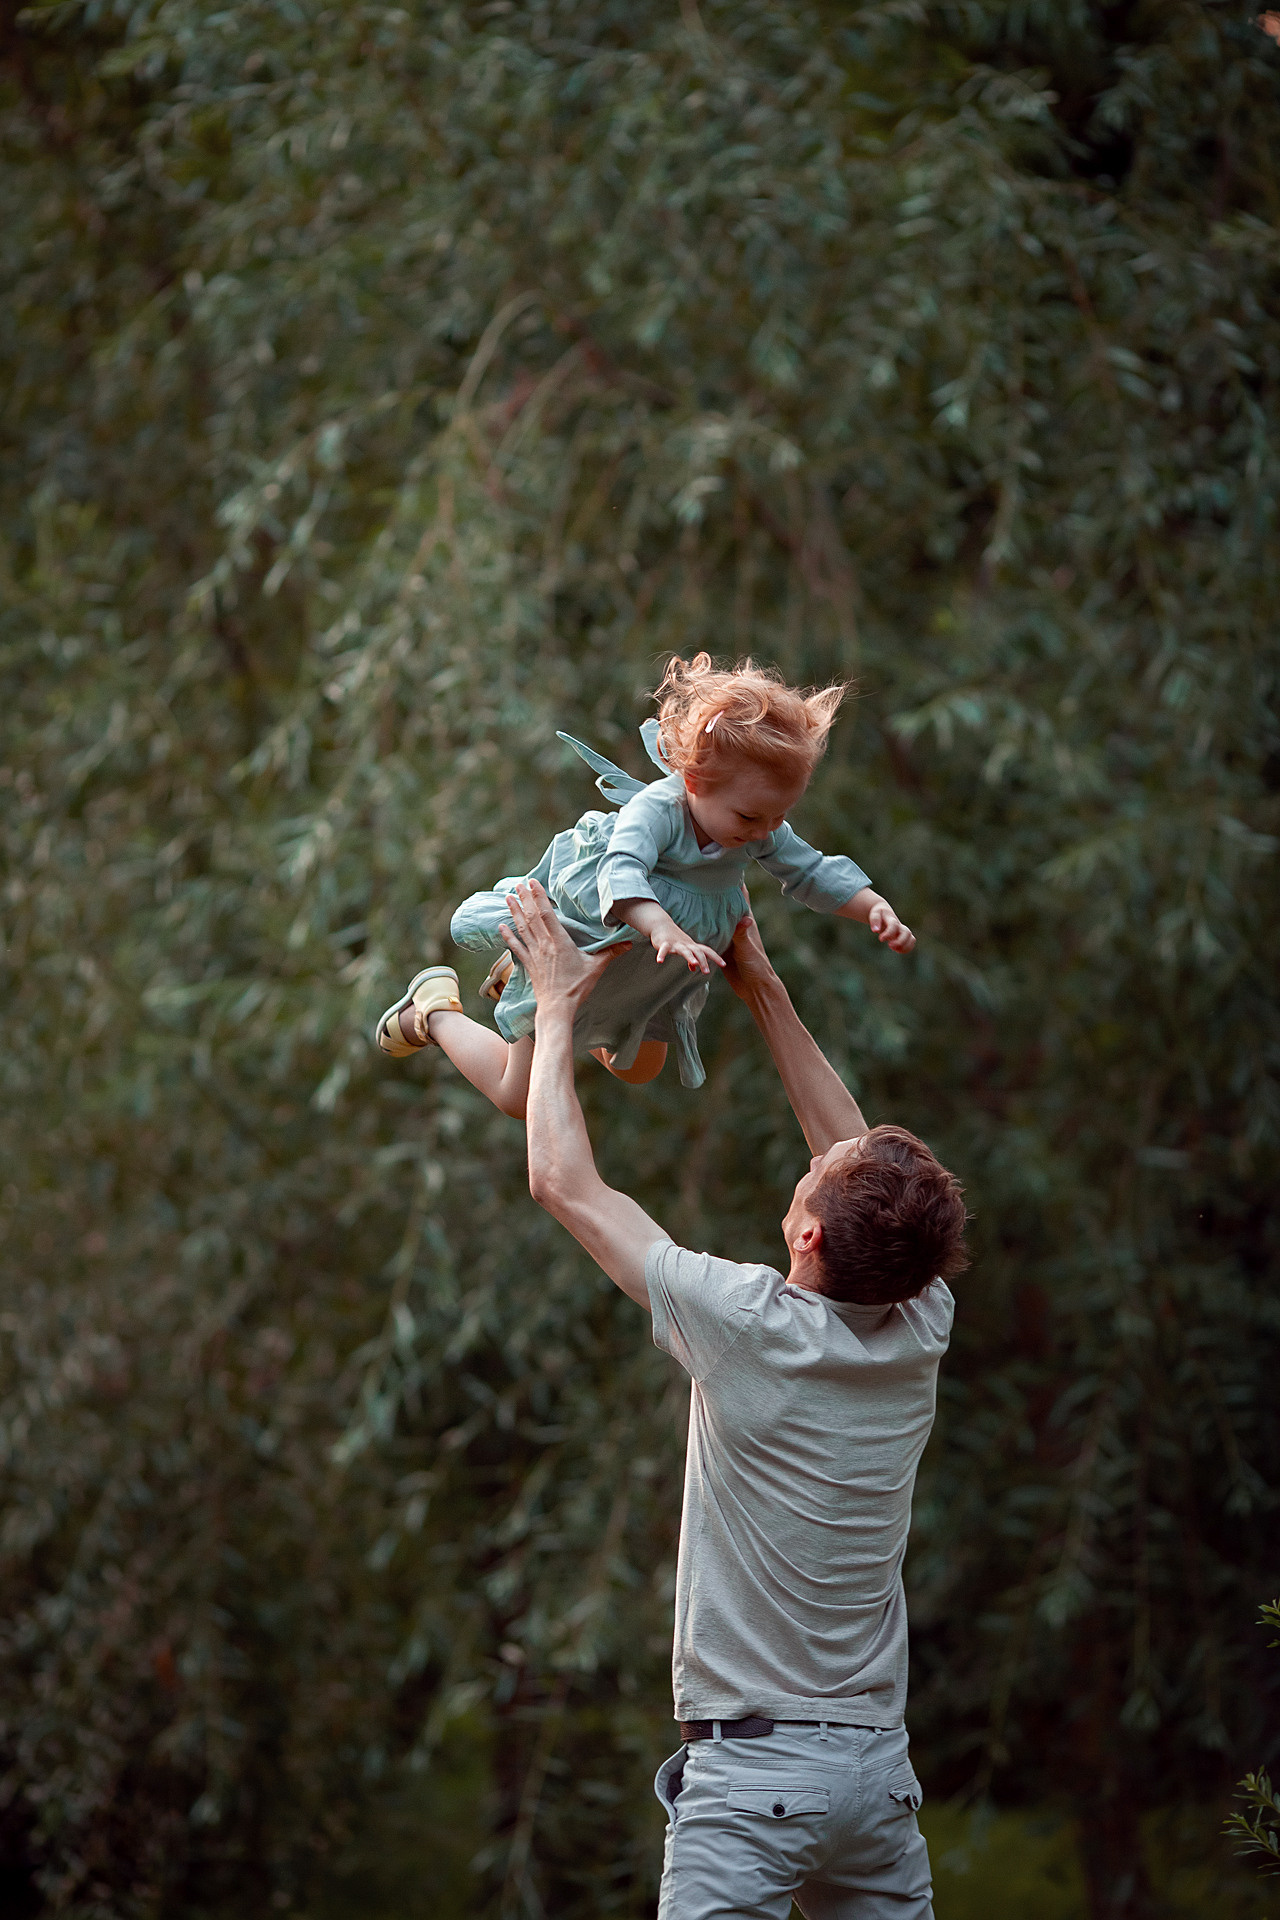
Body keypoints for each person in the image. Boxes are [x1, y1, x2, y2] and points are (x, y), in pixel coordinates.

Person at [498, 877, 968, 1920]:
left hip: (754, 1781)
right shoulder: (916, 1322)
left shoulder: (748, 1324)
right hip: (874, 1779)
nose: (810, 1170)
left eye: (812, 1185)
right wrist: (763, 988)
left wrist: (557, 1004)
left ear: (806, 1236)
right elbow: (846, 1162)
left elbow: (562, 1184)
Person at [373, 654, 915, 1109]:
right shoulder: (659, 810)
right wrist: (660, 926)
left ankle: (533, 987)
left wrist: (871, 906)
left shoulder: (756, 825)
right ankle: (435, 1008)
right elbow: (622, 871)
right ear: (696, 780)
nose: (766, 832)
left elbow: (811, 869)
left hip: (651, 973)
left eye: (778, 817)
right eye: (752, 818)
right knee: (519, 1097)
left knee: (637, 1070)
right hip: (586, 945)